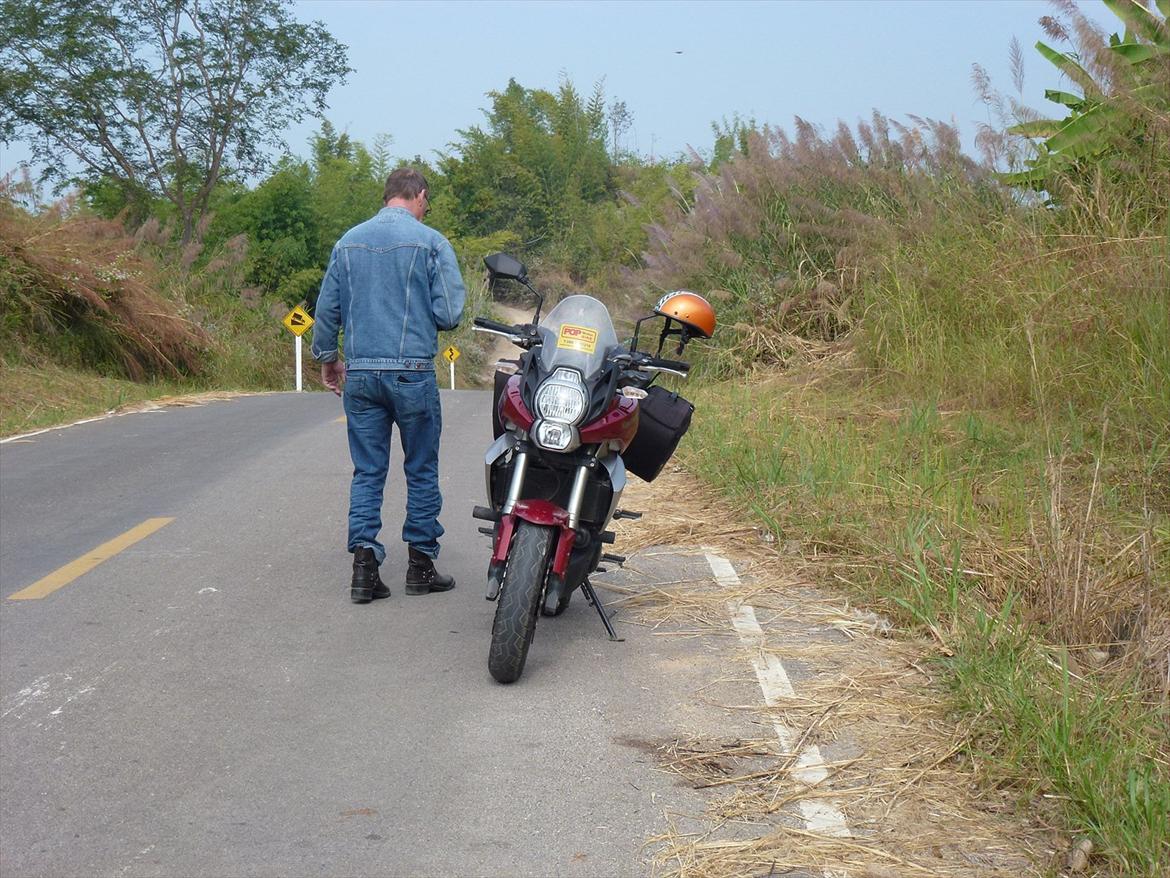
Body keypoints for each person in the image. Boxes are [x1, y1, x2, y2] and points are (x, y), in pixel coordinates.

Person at [312, 167, 466, 603]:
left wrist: (328, 359)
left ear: (387, 197)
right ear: (418, 195)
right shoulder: (431, 242)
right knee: (420, 469)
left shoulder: (348, 242)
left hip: (360, 374)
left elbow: (327, 311)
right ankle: (420, 567)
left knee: (368, 471)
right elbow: (450, 314)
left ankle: (364, 568)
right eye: (426, 203)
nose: (425, 210)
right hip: (412, 372)